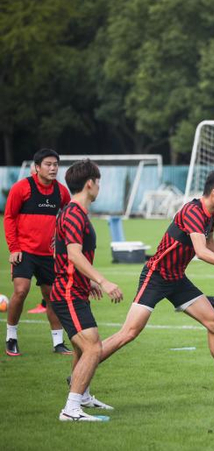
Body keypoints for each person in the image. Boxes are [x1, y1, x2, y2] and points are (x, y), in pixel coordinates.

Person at [98, 170, 214, 390]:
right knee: (130, 332)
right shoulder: (193, 212)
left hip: (177, 279)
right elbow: (201, 251)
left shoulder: (211, 214)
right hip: (156, 276)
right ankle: (83, 368)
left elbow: (209, 241)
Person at [51, 159, 124, 421]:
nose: (99, 187)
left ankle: (82, 396)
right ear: (90, 183)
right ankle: (70, 410)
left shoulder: (77, 213)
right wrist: (103, 281)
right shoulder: (73, 213)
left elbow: (61, 251)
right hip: (68, 292)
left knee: (83, 349)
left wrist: (89, 281)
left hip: (76, 290)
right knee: (93, 347)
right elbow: (73, 254)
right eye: (98, 182)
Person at [4, 148, 72, 356]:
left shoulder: (61, 192)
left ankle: (58, 343)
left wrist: (61, 239)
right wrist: (14, 248)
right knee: (21, 291)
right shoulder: (21, 188)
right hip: (24, 252)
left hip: (49, 255)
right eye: (48, 164)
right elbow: (9, 218)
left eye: (55, 165)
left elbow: (69, 217)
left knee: (52, 297)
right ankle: (11, 338)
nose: (53, 168)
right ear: (37, 167)